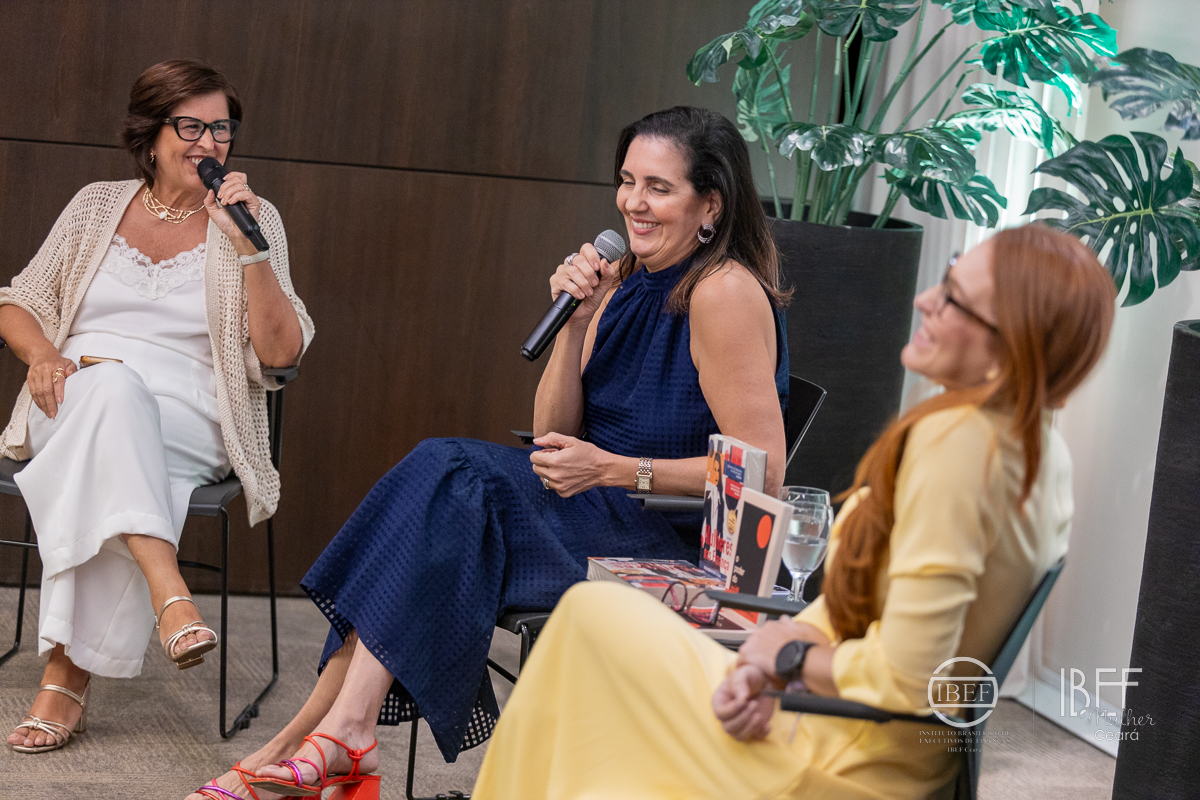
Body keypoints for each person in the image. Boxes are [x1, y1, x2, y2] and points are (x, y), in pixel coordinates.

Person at [188, 105, 790, 799]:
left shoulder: (721, 293)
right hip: (593, 509)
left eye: (659, 187)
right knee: (435, 498)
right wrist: (575, 325)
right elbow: (551, 430)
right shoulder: (624, 278)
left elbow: (765, 472)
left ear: (710, 205)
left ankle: (311, 743)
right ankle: (330, 737)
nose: (633, 202)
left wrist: (614, 468)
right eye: (627, 181)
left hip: (665, 540)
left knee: (449, 479)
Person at [470, 223, 1117, 799]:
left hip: (836, 758)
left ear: (1012, 346)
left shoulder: (960, 450)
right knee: (595, 624)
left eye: (953, 299)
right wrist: (784, 655)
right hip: (851, 726)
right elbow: (881, 629)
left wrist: (782, 662)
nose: (926, 300)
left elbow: (908, 675)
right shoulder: (1039, 447)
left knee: (587, 619)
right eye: (945, 279)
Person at [3, 59, 313, 754]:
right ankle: (167, 590)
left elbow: (281, 354)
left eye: (221, 128)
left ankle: (65, 678)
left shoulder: (254, 218)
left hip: (189, 415)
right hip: (71, 395)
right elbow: (19, 300)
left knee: (119, 425)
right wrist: (43, 356)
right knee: (112, 396)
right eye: (191, 127)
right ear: (151, 134)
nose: (209, 143)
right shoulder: (96, 205)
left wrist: (247, 246)